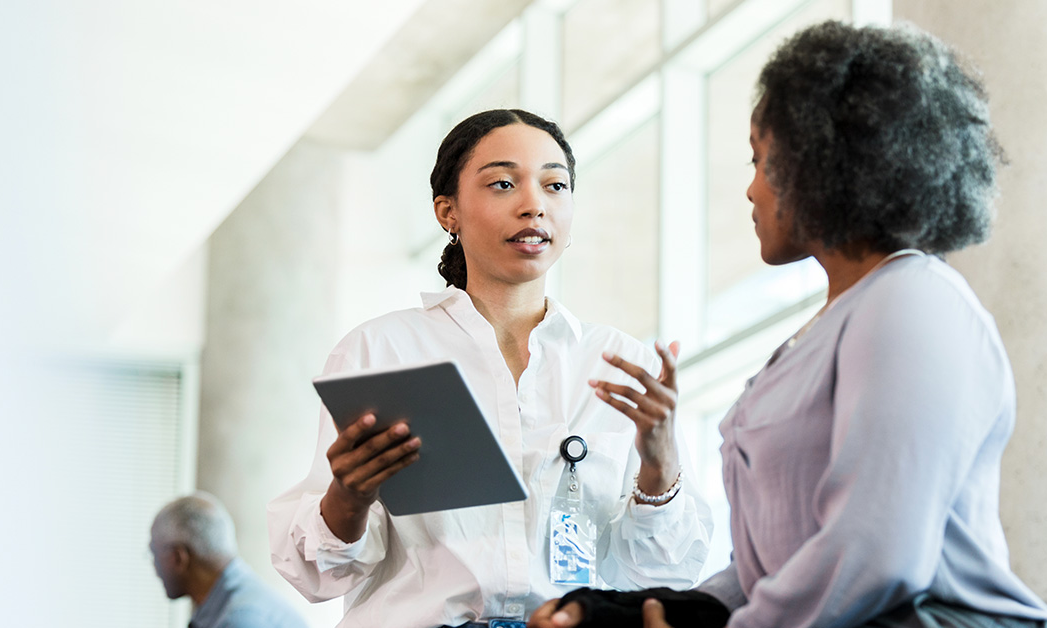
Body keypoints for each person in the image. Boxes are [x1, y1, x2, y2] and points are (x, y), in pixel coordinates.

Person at [528, 20, 1047, 628]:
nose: (752, 190)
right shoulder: (820, 332)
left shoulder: (911, 300)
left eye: (762, 161)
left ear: (823, 163)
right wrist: (650, 611)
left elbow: (873, 551)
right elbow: (778, 568)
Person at [267, 109, 712, 628]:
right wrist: (350, 495)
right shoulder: (381, 350)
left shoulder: (618, 364)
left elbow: (665, 573)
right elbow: (317, 575)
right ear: (447, 212)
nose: (534, 205)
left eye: (555, 186)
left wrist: (659, 461)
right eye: (503, 183)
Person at [150, 492, 309, 628]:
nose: (154, 568)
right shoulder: (230, 601)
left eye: (154, 553)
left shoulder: (241, 618)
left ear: (178, 557)